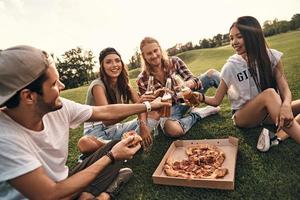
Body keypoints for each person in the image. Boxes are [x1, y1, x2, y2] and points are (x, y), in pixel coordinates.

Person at [0, 45, 169, 200]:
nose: (62, 85)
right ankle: (101, 195)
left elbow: (104, 111)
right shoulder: (5, 138)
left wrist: (148, 105)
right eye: (53, 83)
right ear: (29, 96)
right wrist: (112, 157)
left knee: (115, 146)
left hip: (64, 182)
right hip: (50, 194)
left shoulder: (59, 106)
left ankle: (89, 194)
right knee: (114, 158)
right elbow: (49, 194)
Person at [196, 16, 300, 151]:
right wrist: (201, 97)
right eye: (231, 38)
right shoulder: (230, 67)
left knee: (274, 96)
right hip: (243, 116)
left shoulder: (271, 57)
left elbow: (284, 87)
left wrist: (286, 104)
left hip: (267, 113)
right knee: (269, 94)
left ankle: (278, 137)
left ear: (252, 35)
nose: (234, 42)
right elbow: (216, 100)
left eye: (239, 37)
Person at [137, 36, 221, 138]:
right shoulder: (142, 79)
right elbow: (148, 108)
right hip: (169, 110)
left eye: (155, 50)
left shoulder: (174, 62)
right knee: (172, 130)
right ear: (144, 56)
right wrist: (156, 99)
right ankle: (199, 114)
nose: (154, 55)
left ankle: (239, 105)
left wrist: (187, 85)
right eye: (149, 53)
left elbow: (195, 80)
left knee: (211, 74)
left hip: (187, 98)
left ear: (160, 49)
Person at [78, 47, 156, 154]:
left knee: (154, 114)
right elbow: (107, 120)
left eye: (117, 60)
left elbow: (142, 107)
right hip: (96, 132)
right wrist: (136, 106)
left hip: (115, 129)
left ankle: (123, 144)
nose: (114, 65)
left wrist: (143, 125)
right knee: (85, 143)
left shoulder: (124, 85)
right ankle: (123, 144)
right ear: (102, 66)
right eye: (108, 62)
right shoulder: (97, 85)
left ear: (122, 63)